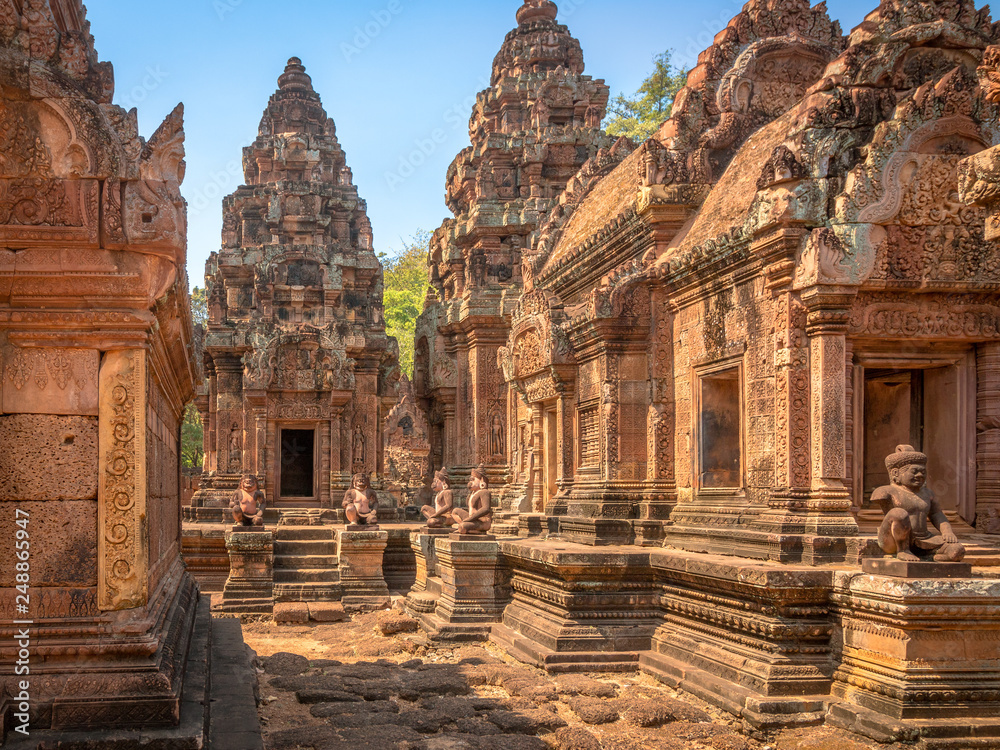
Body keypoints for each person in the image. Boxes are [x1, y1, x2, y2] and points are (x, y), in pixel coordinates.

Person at [873, 445, 965, 562]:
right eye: (914, 471)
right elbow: (893, 516)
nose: (920, 475)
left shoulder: (928, 494)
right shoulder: (886, 491)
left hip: (924, 539)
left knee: (957, 550)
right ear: (896, 473)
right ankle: (902, 551)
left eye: (923, 472)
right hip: (893, 541)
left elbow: (937, 515)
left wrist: (947, 532)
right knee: (898, 513)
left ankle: (930, 557)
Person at [453, 467, 493, 535]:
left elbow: (486, 509)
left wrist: (470, 519)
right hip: (473, 519)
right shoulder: (472, 494)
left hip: (482, 521)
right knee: (455, 511)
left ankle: (472, 530)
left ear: (481, 480)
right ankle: (468, 528)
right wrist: (470, 519)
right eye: (470, 480)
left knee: (462, 527)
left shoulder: (484, 492)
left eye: (473, 480)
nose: (470, 482)